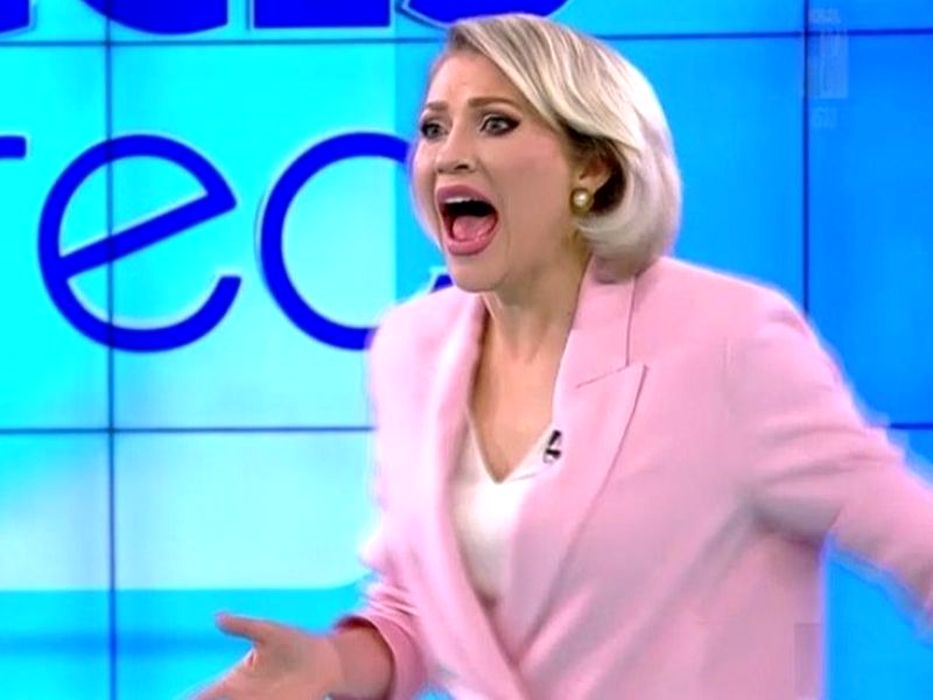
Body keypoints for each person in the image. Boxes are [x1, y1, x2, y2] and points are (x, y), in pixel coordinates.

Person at [195, 13, 933, 700]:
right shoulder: (409, 349)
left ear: (594, 169)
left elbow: (916, 541)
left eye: (495, 123)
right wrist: (330, 664)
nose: (449, 155)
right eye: (433, 128)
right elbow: (423, 606)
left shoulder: (729, 342)